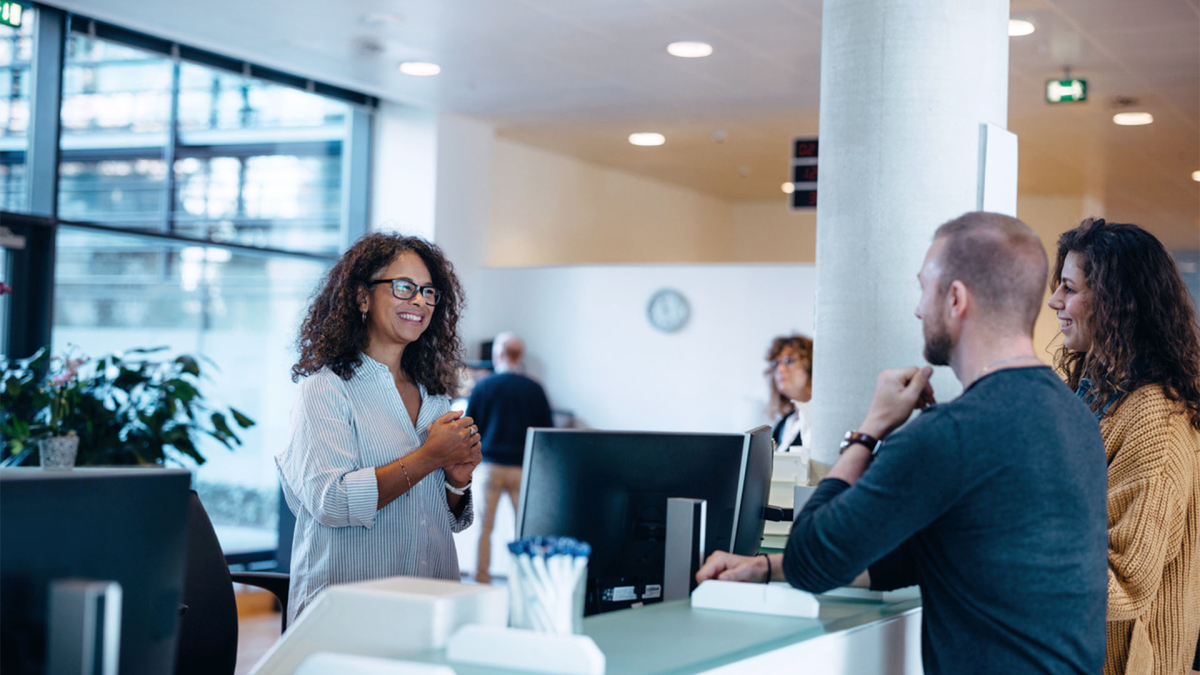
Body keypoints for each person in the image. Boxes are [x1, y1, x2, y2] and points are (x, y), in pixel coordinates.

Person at [697, 212, 1108, 674]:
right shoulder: (1076, 416)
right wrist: (767, 567)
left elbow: (813, 558)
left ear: (955, 299)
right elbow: (933, 557)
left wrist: (869, 429)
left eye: (923, 289)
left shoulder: (948, 434)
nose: (917, 309)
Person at [277, 233, 482, 625]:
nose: (420, 301)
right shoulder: (325, 390)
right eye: (404, 288)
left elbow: (438, 518)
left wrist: (456, 483)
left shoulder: (434, 395)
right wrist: (429, 457)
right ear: (362, 297)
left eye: (428, 292)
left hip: (431, 606)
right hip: (348, 615)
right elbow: (332, 502)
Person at [1047, 218, 1200, 675]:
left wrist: (1004, 544)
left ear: (1117, 303)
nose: (1055, 301)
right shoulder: (1100, 395)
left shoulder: (1154, 416)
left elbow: (1124, 581)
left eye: (1069, 288)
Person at [466, 332, 553, 584]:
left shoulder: (483, 386)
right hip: (522, 470)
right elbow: (545, 433)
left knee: (484, 528)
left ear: (497, 355)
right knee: (523, 529)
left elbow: (471, 427)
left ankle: (481, 578)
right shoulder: (535, 389)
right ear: (520, 356)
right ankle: (523, 579)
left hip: (491, 467)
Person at [765, 334, 814, 451]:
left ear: (811, 365)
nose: (780, 369)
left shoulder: (822, 422)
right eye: (776, 364)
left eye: (789, 361)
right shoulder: (783, 424)